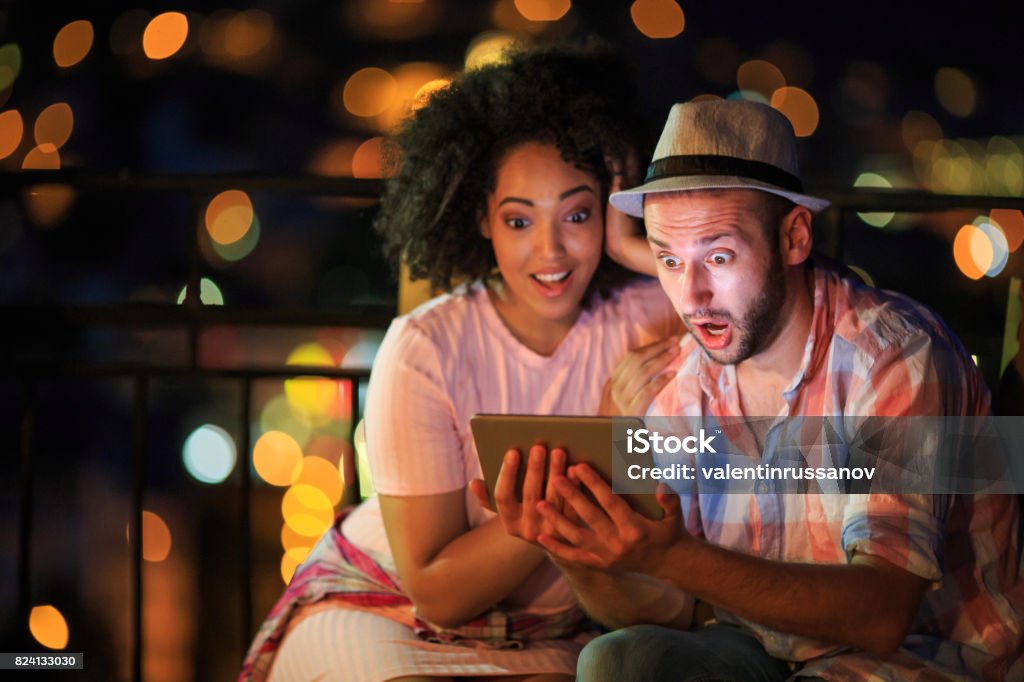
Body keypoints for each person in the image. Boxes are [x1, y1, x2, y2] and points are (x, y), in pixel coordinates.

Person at [483, 100, 1024, 680]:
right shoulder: (669, 387)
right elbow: (671, 611)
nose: (691, 297)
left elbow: (884, 613)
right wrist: (581, 556)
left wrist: (673, 557)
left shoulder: (895, 356)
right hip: (763, 649)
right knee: (616, 659)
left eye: (718, 256)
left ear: (793, 237)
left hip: (919, 658)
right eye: (668, 259)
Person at [239, 44, 685, 682]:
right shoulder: (426, 347)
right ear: (481, 219)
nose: (550, 250)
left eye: (578, 215)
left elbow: (750, 296)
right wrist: (583, 468)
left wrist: (634, 247)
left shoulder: (648, 314)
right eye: (519, 220)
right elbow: (437, 592)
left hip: (550, 635)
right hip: (383, 611)